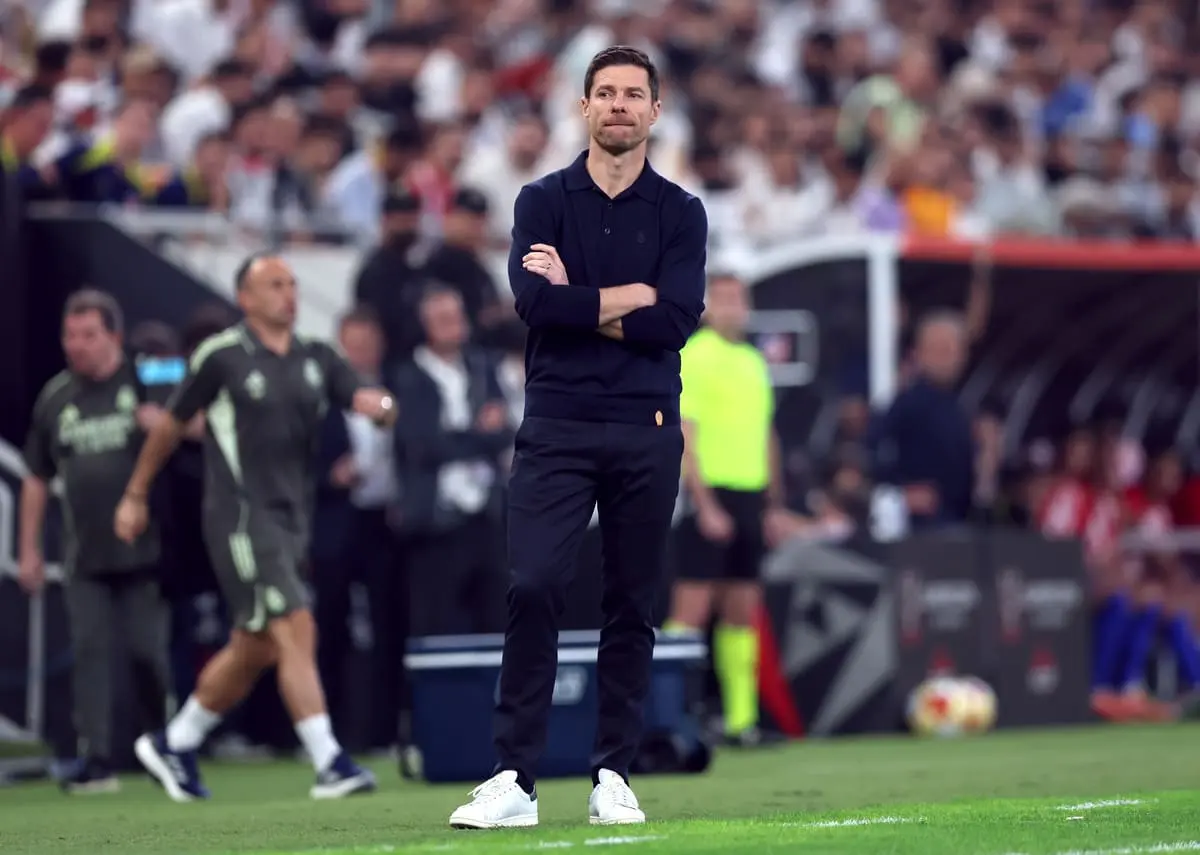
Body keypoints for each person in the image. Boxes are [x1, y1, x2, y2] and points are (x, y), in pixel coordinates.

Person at [449, 45, 707, 830]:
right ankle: (514, 778)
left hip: (646, 425)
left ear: (656, 112)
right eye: (606, 93)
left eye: (634, 94)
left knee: (630, 601)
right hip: (556, 422)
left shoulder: (681, 211)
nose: (620, 105)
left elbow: (677, 319)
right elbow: (535, 304)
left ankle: (613, 773)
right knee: (532, 586)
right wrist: (629, 296)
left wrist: (583, 296)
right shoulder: (541, 199)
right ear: (584, 107)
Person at [112, 254, 397, 801]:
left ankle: (176, 740)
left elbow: (365, 396)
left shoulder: (317, 355)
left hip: (294, 519)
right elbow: (170, 426)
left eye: (292, 284)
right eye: (273, 285)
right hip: (242, 517)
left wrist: (381, 406)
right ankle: (330, 760)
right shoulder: (220, 356)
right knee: (296, 623)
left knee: (257, 644)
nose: (288, 294)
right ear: (245, 298)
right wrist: (135, 494)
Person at [19, 289, 171, 793]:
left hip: (144, 552)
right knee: (88, 651)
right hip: (84, 553)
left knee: (147, 653)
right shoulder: (56, 397)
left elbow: (202, 410)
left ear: (115, 337)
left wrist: (166, 424)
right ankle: (97, 759)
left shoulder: (148, 377)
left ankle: (162, 744)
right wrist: (29, 549)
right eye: (70, 335)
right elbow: (37, 478)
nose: (76, 345)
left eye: (88, 335)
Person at [662, 273, 782, 747]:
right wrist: (705, 504)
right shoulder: (694, 355)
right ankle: (664, 718)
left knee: (741, 612)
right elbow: (684, 433)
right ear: (708, 305)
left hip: (750, 495)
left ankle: (741, 721)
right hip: (706, 494)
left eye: (740, 298)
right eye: (725, 299)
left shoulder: (754, 361)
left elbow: (766, 432)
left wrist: (773, 502)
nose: (734, 307)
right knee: (690, 611)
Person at [392, 285, 512, 637]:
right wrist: (478, 435)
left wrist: (461, 437)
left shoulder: (483, 366)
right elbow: (421, 446)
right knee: (438, 625)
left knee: (496, 621)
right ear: (425, 325)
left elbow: (504, 432)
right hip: (435, 525)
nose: (454, 325)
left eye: (457, 317)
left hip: (487, 517)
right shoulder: (407, 377)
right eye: (443, 319)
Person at [312, 306, 406, 752]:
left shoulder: (398, 390)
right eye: (353, 345)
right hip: (335, 528)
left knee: (390, 629)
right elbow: (292, 462)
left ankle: (385, 731)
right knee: (331, 630)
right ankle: (329, 731)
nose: (362, 353)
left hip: (386, 527)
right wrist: (330, 477)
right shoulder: (319, 398)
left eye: (368, 344)